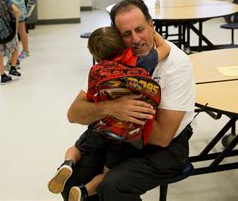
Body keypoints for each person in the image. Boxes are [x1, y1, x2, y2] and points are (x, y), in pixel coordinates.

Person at [62, 0, 196, 201]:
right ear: (117, 36)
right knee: (71, 184)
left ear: (152, 26)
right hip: (118, 135)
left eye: (140, 29)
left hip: (165, 147)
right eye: (126, 34)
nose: (135, 39)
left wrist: (116, 118)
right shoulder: (114, 60)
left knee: (113, 187)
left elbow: (162, 137)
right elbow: (74, 114)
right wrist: (111, 108)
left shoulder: (177, 64)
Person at [48, 26, 170, 200]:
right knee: (108, 173)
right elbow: (165, 49)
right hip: (122, 134)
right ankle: (84, 191)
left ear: (96, 56)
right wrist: (153, 32)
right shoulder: (139, 62)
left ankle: (68, 164)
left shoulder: (96, 71)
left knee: (77, 148)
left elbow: (90, 96)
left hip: (100, 127)